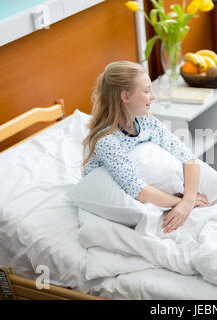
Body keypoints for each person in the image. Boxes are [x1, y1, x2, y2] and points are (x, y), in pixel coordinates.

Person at [82, 61, 208, 233]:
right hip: (112, 200)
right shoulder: (106, 141)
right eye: (147, 90)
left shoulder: (146, 122)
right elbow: (138, 191)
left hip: (156, 193)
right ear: (125, 97)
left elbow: (189, 159)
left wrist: (188, 200)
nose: (153, 96)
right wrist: (184, 203)